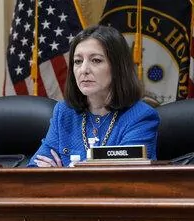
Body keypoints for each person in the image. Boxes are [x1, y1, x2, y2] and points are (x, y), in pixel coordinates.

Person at [27, 25, 160, 167]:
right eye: (78, 61)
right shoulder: (64, 112)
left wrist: (61, 176)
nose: (83, 70)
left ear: (117, 67)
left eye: (96, 60)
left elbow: (122, 180)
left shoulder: (140, 117)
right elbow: (34, 171)